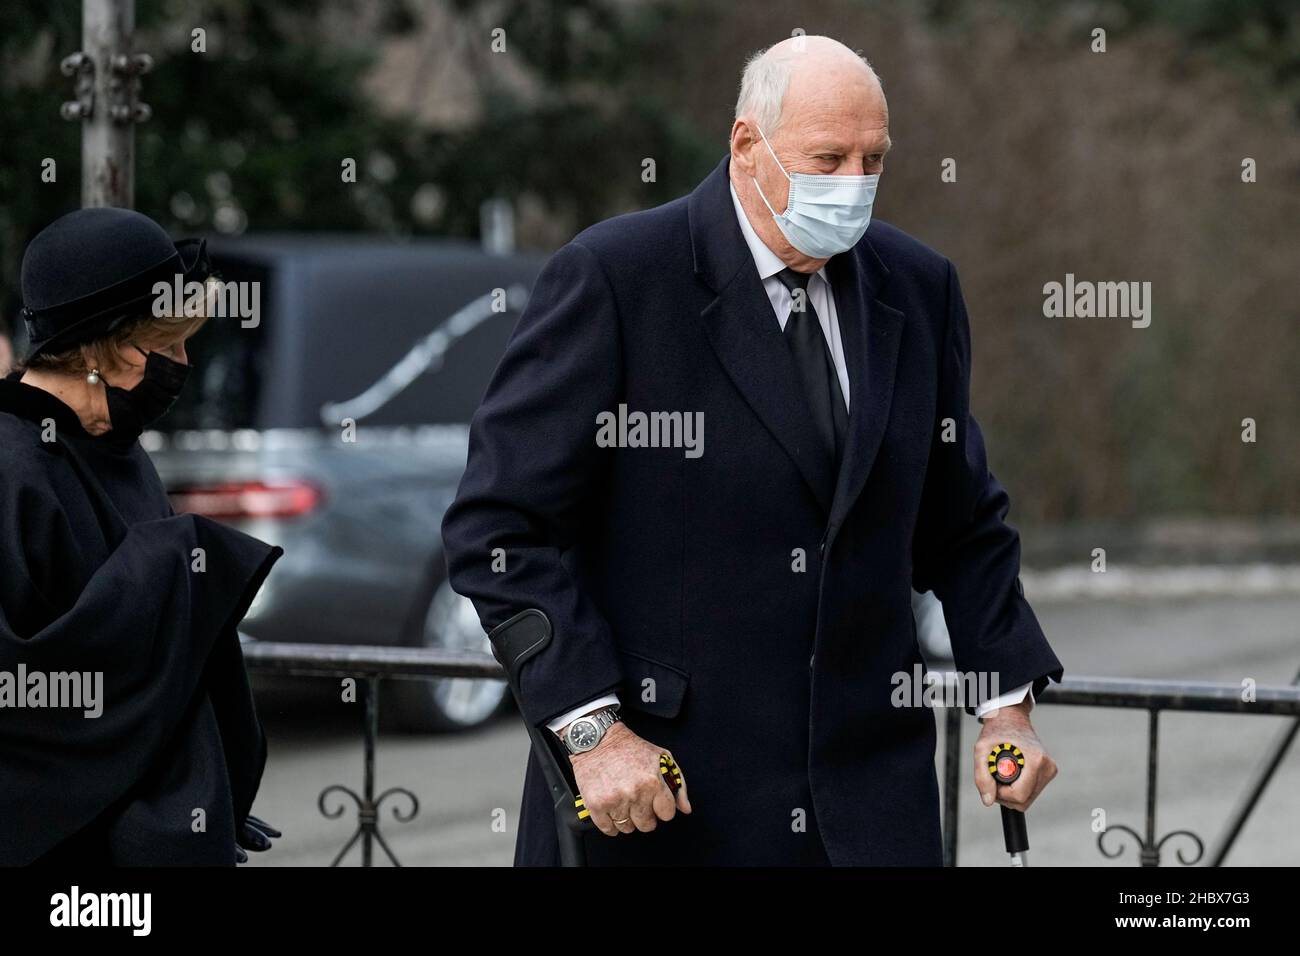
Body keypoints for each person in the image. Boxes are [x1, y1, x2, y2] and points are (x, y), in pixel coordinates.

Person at [442, 35, 1064, 866]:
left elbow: (962, 522)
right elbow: (500, 529)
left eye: (874, 159)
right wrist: (591, 732)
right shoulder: (618, 277)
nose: (855, 186)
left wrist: (1006, 705)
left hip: (870, 806)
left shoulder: (917, 286)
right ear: (746, 145)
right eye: (828, 158)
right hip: (662, 799)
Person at [0, 207, 281, 865]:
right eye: (171, 344)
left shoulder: (118, 448)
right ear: (111, 348)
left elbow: (164, 672)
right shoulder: (12, 471)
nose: (183, 363)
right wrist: (180, 562)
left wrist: (203, 787)